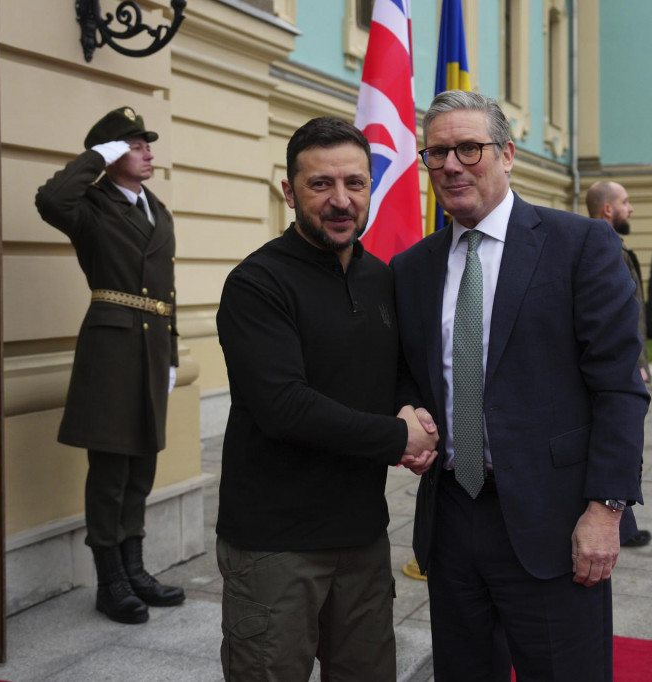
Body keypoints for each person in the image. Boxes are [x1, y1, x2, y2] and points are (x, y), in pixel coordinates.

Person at [391, 91, 649, 682]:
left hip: (557, 525)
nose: (452, 164)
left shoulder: (581, 246)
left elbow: (618, 388)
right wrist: (408, 415)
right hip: (453, 521)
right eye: (436, 153)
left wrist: (605, 511)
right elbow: (408, 372)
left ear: (507, 155)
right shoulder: (412, 268)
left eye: (468, 148)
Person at [215, 116, 439, 682]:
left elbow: (398, 372)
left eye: (355, 183)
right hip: (275, 545)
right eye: (321, 185)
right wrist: (397, 438)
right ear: (290, 191)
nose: (341, 200)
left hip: (362, 537)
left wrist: (411, 409)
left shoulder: (381, 278)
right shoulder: (256, 284)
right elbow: (283, 406)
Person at [35, 106, 185, 625]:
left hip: (151, 350)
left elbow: (166, 289)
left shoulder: (156, 209)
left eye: (146, 145)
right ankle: (110, 581)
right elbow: (50, 199)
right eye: (136, 145)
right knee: (110, 473)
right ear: (114, 153)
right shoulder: (90, 205)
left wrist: (173, 350)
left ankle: (135, 568)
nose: (148, 153)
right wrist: (95, 158)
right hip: (112, 349)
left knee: (141, 465)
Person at [586, 180, 652, 549]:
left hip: (627, 362)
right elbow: (619, 319)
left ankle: (622, 523)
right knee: (618, 438)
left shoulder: (609, 248)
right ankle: (620, 524)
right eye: (625, 202)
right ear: (607, 209)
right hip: (622, 366)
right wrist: (636, 364)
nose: (631, 209)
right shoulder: (602, 251)